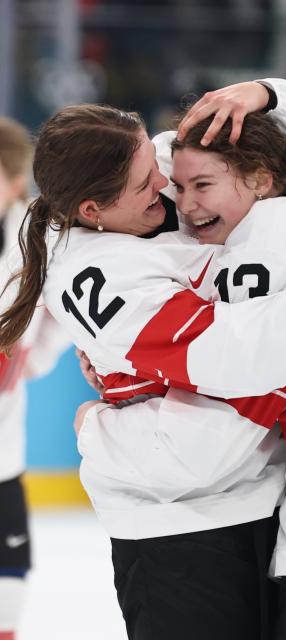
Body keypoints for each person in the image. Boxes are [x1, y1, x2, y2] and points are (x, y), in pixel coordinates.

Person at [0, 80, 286, 640]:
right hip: (178, 528)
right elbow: (231, 354)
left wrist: (268, 97)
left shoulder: (162, 169)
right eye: (146, 184)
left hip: (268, 506)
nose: (168, 185)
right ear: (93, 210)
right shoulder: (97, 276)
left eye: (158, 161)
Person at [0, 117, 70, 640]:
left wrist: (32, 356)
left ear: (15, 180)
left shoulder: (39, 241)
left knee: (9, 580)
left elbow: (63, 313)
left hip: (4, 450)